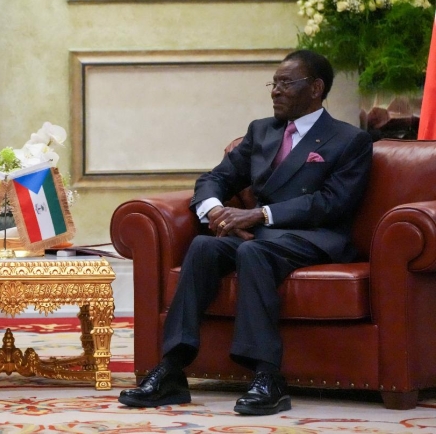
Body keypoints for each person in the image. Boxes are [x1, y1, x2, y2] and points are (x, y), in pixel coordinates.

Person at [118, 50, 372, 415]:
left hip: (313, 237)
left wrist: (259, 214)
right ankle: (172, 368)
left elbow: (333, 203)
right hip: (263, 237)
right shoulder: (261, 131)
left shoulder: (348, 140)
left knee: (253, 252)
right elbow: (215, 178)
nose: (275, 91)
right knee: (205, 245)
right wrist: (215, 210)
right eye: (274, 83)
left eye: (286, 83)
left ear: (316, 88)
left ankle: (268, 377)